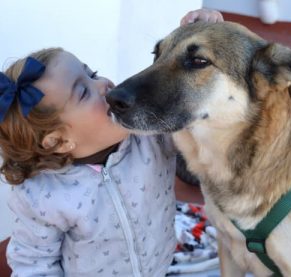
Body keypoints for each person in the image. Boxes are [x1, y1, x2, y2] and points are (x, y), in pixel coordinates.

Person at [0, 9, 223, 277]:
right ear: (58, 141)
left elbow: (183, 106)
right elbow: (34, 264)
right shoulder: (41, 196)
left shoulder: (149, 136)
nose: (103, 84)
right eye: (84, 92)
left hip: (158, 267)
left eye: (92, 74)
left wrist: (201, 35)